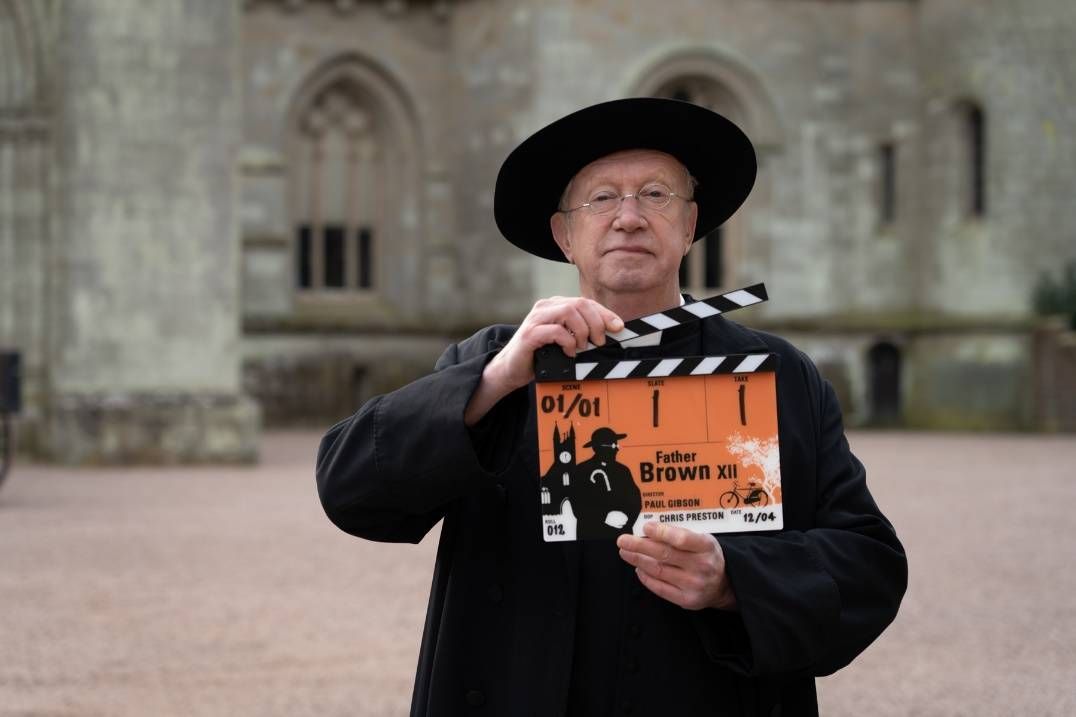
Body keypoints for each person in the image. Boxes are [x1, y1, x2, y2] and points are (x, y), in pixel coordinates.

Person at [316, 97, 907, 716]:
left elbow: (868, 563)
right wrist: (490, 384)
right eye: (602, 198)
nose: (628, 217)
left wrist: (736, 580)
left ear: (690, 226)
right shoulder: (492, 367)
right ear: (564, 236)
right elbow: (349, 489)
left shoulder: (775, 374)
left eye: (655, 195)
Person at [570, 427, 640, 540]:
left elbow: (635, 499)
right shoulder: (581, 471)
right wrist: (604, 517)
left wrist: (627, 519)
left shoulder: (623, 471)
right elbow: (578, 505)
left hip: (622, 539)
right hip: (592, 541)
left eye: (616, 445)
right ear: (598, 448)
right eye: (613, 446)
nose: (617, 449)